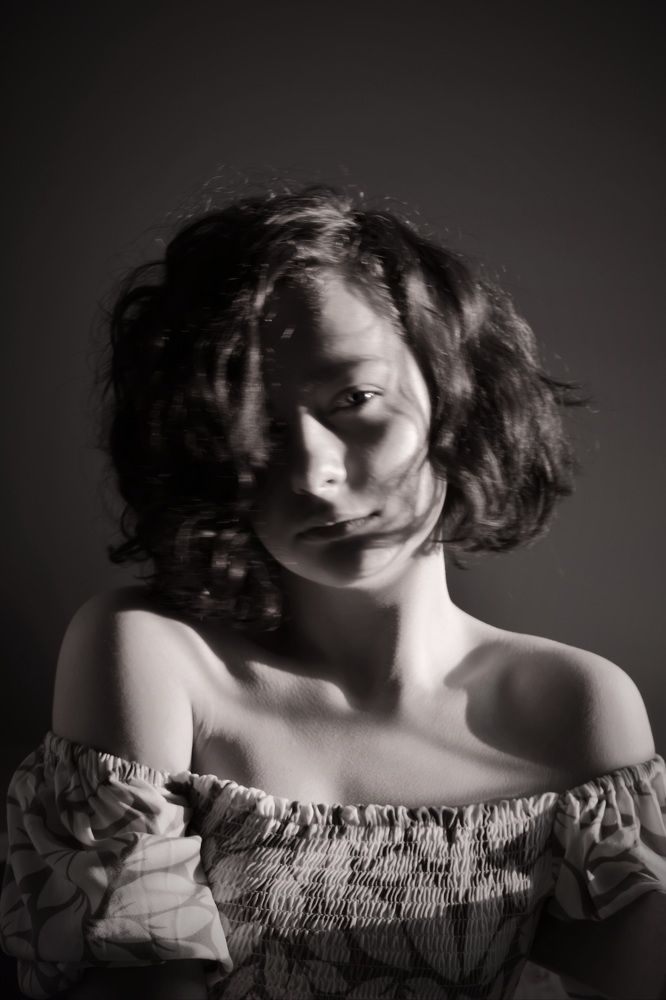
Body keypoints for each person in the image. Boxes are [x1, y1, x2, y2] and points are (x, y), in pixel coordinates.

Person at [1, 185, 664, 1000]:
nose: (316, 473)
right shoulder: (152, 656)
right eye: (262, 429)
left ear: (453, 389)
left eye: (353, 399)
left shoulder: (576, 705)